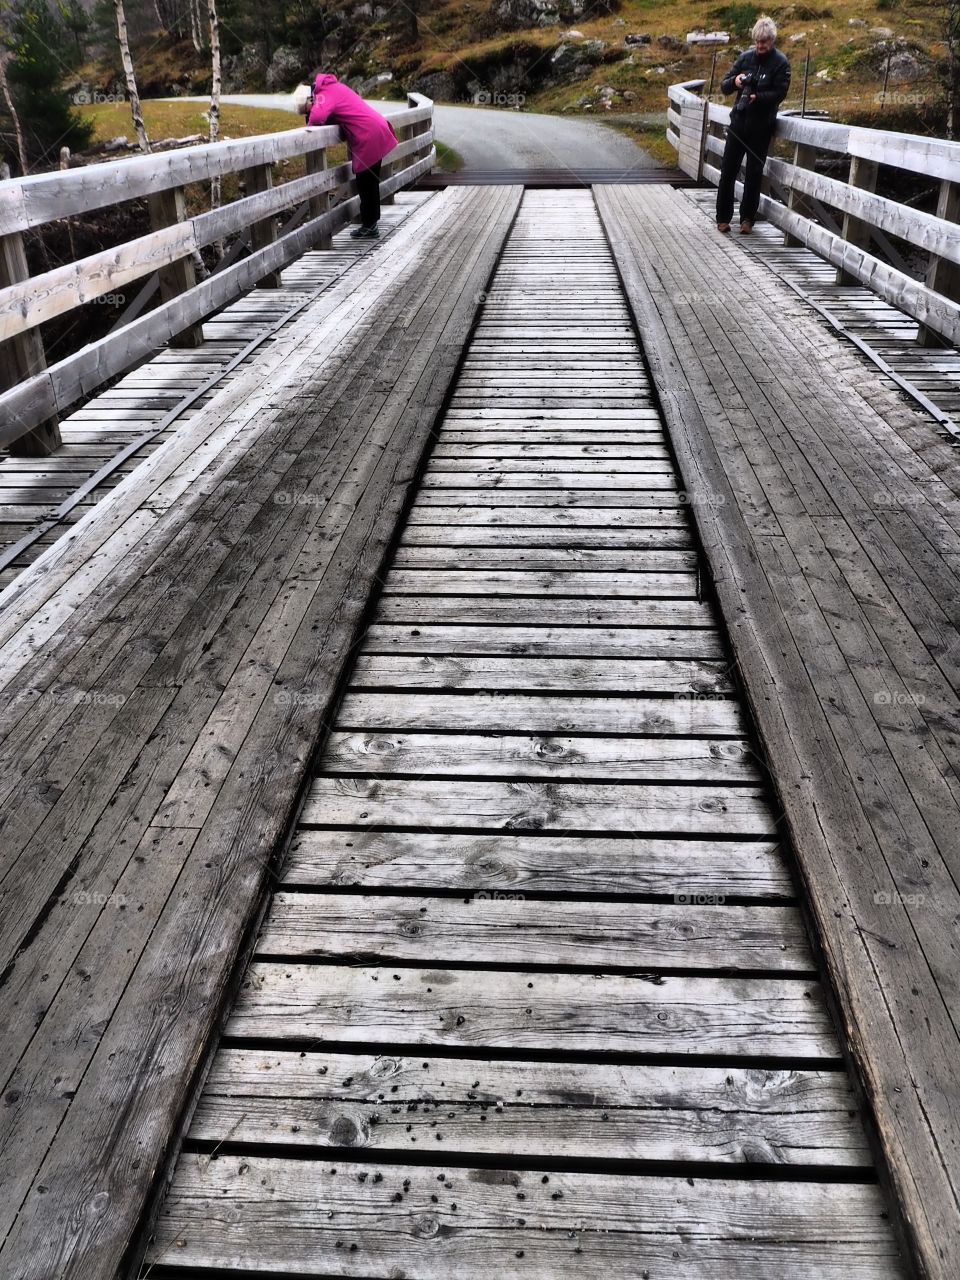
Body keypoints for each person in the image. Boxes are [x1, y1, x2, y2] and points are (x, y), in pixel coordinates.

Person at [715, 16, 790, 235]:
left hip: (761, 126)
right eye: (757, 42)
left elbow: (780, 93)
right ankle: (723, 218)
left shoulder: (781, 63)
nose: (760, 46)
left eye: (764, 42)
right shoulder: (745, 58)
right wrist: (737, 81)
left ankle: (747, 219)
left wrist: (759, 97)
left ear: (772, 41)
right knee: (728, 170)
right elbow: (725, 86)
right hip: (738, 123)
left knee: (754, 174)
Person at [303, 73, 399, 239]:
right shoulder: (338, 87)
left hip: (368, 134)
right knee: (370, 181)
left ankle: (369, 226)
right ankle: (371, 224)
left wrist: (309, 112)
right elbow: (340, 112)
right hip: (376, 128)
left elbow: (317, 118)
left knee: (365, 182)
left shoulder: (324, 93)